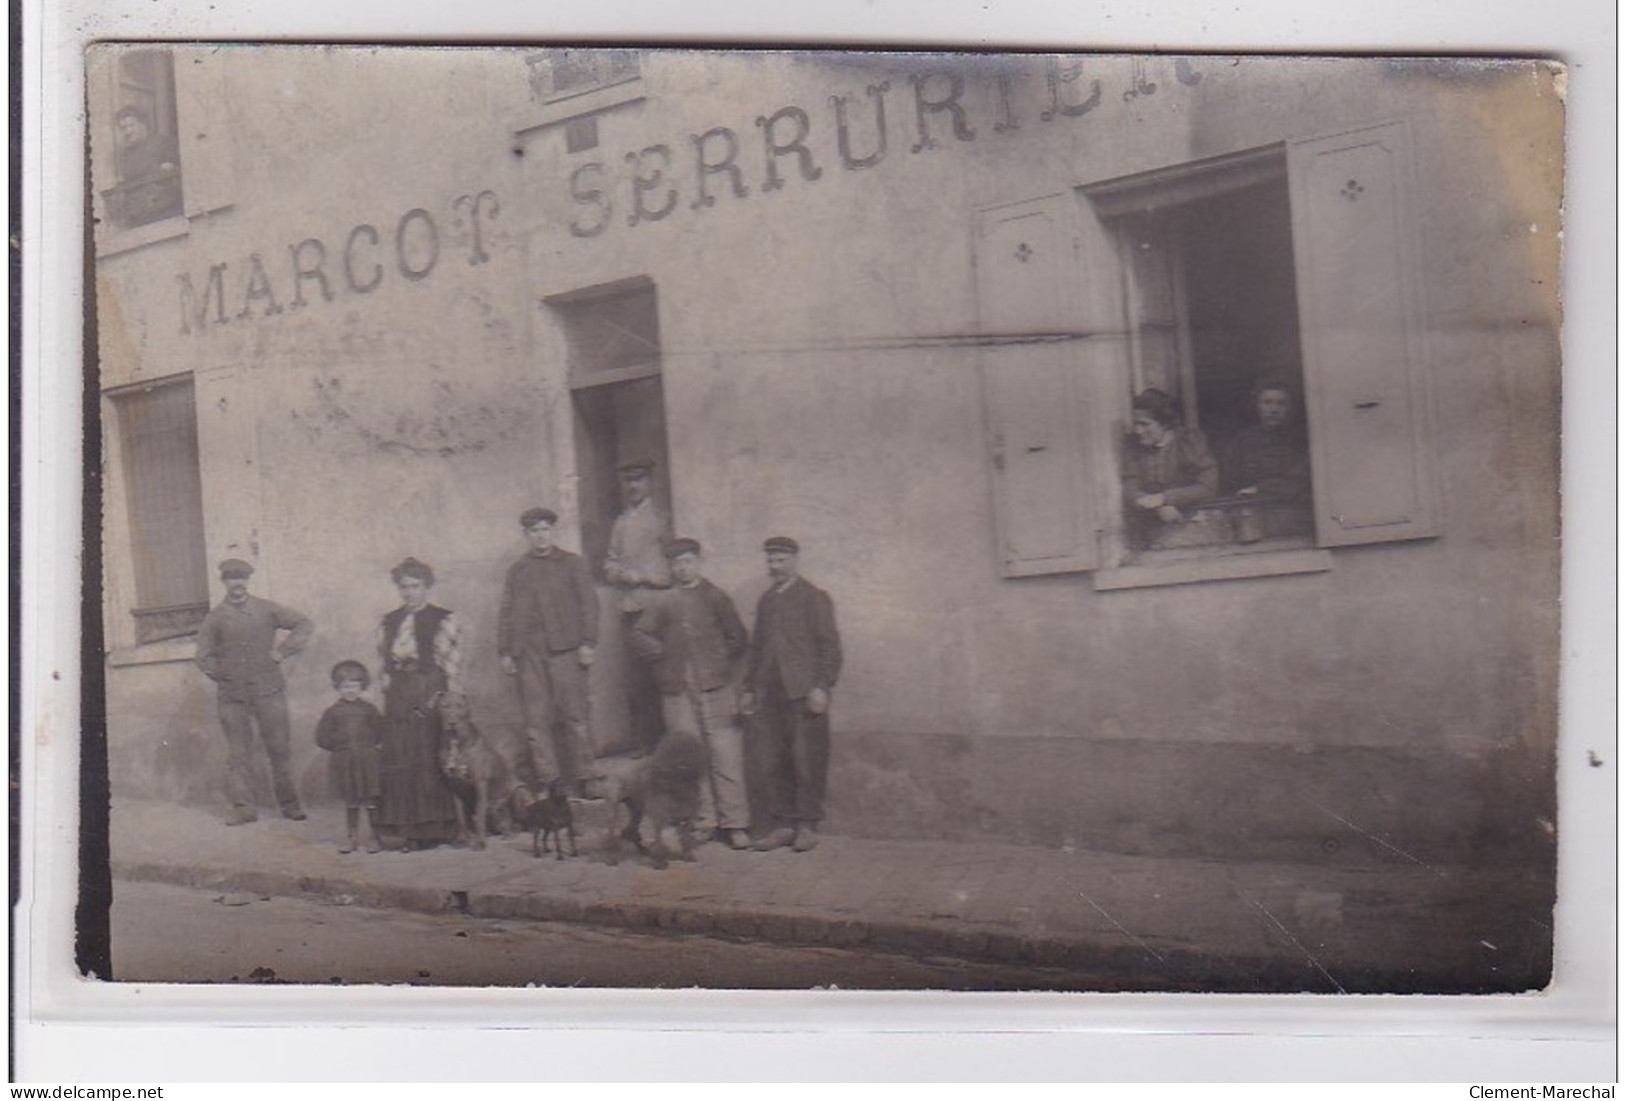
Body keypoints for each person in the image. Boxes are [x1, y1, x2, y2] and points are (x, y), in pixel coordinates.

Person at [629, 538, 752, 850]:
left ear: (698, 562)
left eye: (688, 561)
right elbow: (639, 634)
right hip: (678, 690)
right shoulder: (665, 601)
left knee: (725, 754)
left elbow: (738, 638)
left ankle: (735, 823)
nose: (682, 568)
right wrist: (663, 654)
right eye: (677, 563)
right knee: (689, 757)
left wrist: (717, 663)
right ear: (671, 567)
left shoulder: (716, 597)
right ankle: (703, 822)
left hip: (716, 687)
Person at [194, 558, 314, 826]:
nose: (237, 583)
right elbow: (203, 656)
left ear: (248, 581)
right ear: (223, 582)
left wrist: (282, 651)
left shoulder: (266, 609)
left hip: (268, 690)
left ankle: (290, 805)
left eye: (242, 578)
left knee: (279, 749)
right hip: (232, 696)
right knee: (239, 754)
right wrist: (223, 674)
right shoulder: (215, 617)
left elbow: (304, 624)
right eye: (231, 578)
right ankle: (244, 809)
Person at [741, 537, 842, 854]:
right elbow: (757, 651)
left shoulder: (814, 598)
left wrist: (821, 686)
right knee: (774, 760)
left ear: (795, 560)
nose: (775, 567)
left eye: (781, 560)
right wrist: (749, 688)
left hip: (803, 693)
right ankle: (784, 824)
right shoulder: (766, 600)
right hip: (771, 694)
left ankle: (807, 826)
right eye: (770, 560)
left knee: (806, 760)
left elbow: (830, 647)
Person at [498, 507, 600, 795]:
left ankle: (586, 776)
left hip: (566, 648)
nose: (540, 536)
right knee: (536, 719)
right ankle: (549, 781)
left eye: (544, 529)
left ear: (552, 531)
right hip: (528, 652)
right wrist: (505, 651)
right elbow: (506, 611)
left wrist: (588, 643)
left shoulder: (572, 564)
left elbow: (590, 605)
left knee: (575, 714)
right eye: (534, 531)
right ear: (526, 535)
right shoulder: (518, 570)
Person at [374, 557, 464, 850]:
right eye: (404, 587)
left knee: (428, 756)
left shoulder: (443, 619)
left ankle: (437, 827)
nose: (410, 592)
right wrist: (387, 689)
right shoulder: (389, 621)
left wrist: (450, 702)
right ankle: (409, 829)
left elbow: (451, 665)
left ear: (427, 587)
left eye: (416, 586)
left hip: (429, 689)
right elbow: (383, 663)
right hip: (399, 694)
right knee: (402, 757)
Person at [602, 459, 672, 755]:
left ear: (650, 483)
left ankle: (669, 741)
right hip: (630, 609)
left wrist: (642, 576)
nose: (633, 486)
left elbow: (672, 566)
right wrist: (615, 572)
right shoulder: (621, 523)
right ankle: (646, 742)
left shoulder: (661, 519)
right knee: (638, 681)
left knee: (662, 675)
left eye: (639, 480)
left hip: (656, 606)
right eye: (629, 481)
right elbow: (611, 559)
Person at [1121, 387, 1219, 546]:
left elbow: (1208, 486)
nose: (1138, 431)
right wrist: (1156, 506)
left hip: (1193, 523)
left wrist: (1164, 498)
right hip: (1151, 529)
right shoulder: (1134, 446)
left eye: (1145, 424)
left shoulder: (1188, 442)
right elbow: (1129, 488)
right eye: (1136, 424)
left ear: (1165, 424)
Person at [1220, 378, 1312, 542]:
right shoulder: (1243, 441)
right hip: (1249, 519)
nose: (1273, 409)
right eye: (1267, 402)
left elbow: (1301, 479)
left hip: (1291, 519)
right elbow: (1228, 480)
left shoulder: (1301, 440)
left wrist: (1260, 489)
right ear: (1257, 406)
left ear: (1290, 408)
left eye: (1281, 403)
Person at [314, 659, 384, 854]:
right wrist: (340, 746)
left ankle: (375, 838)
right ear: (338, 687)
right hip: (345, 763)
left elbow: (381, 732)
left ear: (363, 686)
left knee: (371, 801)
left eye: (355, 686)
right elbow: (321, 738)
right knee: (352, 801)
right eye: (345, 686)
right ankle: (351, 838)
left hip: (368, 762)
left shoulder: (369, 710)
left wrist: (370, 748)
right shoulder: (332, 712)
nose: (350, 691)